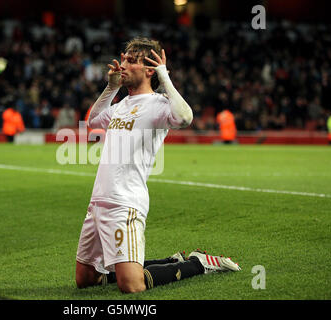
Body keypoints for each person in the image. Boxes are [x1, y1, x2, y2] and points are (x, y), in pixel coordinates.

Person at [75, 37, 241, 294]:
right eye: (124, 59)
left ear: (149, 69)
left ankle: (199, 264)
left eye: (131, 61)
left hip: (125, 203)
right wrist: (111, 87)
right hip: (97, 202)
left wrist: (164, 77)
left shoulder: (159, 105)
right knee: (86, 279)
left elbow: (185, 117)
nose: (123, 65)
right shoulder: (120, 106)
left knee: (131, 285)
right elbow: (93, 119)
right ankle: (171, 262)